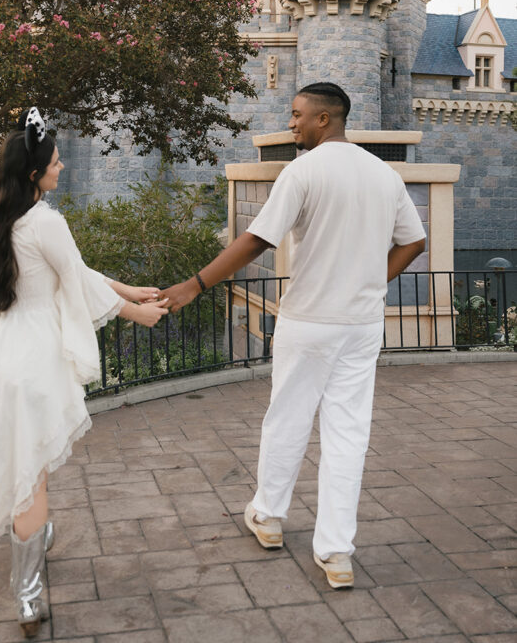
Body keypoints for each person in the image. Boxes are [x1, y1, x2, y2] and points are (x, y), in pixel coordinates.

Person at [160, 82, 425, 589]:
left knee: (287, 419)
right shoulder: (383, 175)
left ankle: (269, 516)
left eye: (298, 115)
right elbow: (414, 242)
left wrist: (195, 285)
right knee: (349, 435)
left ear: (325, 119)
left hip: (309, 321)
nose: (292, 123)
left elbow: (258, 238)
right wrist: (370, 281)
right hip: (362, 324)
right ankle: (336, 553)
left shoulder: (302, 171)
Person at [0, 107, 167, 636]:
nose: (63, 168)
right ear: (34, 172)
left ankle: (34, 545)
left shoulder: (3, 218)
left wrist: (127, 290)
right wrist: (139, 313)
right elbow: (76, 283)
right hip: (33, 356)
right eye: (56, 162)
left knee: (21, 457)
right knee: (31, 473)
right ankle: (28, 596)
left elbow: (74, 271)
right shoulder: (46, 220)